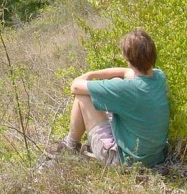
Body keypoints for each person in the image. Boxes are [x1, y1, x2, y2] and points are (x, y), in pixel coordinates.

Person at [49, 29, 170, 167]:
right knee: (108, 89)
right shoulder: (159, 77)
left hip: (125, 161)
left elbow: (75, 87)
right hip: (155, 156)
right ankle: (71, 144)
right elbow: (126, 72)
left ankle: (70, 146)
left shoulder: (125, 88)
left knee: (82, 96)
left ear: (127, 59)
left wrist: (87, 76)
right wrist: (92, 74)